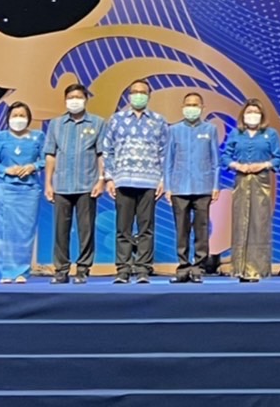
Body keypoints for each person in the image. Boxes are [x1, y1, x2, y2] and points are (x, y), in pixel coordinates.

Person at [101, 79, 169, 285]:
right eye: (135, 92)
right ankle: (123, 269)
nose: (138, 95)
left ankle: (142, 269)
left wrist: (163, 180)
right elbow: (107, 150)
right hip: (123, 180)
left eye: (143, 92)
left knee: (146, 228)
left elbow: (165, 152)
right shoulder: (116, 120)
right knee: (123, 228)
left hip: (149, 181)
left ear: (149, 96)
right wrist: (109, 178)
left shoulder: (158, 121)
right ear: (129, 95)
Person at [43, 83, 105, 284]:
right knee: (61, 230)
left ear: (86, 99)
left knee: (86, 230)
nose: (74, 101)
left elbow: (101, 154)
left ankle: (83, 269)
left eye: (78, 97)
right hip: (61, 185)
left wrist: (101, 180)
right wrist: (48, 184)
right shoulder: (56, 124)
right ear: (65, 100)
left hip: (87, 184)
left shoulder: (98, 123)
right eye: (70, 98)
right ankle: (61, 270)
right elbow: (50, 155)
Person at [222, 99, 280, 282]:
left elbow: (278, 159)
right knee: (240, 223)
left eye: (256, 112)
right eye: (249, 112)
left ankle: (258, 269)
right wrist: (237, 166)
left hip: (261, 182)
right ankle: (239, 268)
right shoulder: (236, 134)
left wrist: (263, 165)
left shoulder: (270, 134)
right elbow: (225, 156)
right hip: (241, 181)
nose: (252, 115)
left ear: (261, 115)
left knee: (259, 223)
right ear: (243, 115)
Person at [164, 91, 220, 284]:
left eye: (195, 105)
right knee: (181, 229)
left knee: (201, 229)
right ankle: (183, 267)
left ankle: (198, 267)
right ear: (182, 107)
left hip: (203, 186)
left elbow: (216, 161)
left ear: (202, 108)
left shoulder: (210, 129)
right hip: (179, 187)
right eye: (188, 104)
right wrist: (168, 187)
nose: (191, 108)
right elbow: (168, 161)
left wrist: (215, 186)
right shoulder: (174, 130)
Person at [0, 102, 45, 284]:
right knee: (3, 230)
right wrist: (6, 170)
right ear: (8, 118)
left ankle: (21, 272)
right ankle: (4, 272)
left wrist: (33, 166)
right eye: (15, 116)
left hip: (29, 190)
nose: (18, 119)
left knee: (25, 231)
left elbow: (46, 159)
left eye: (22, 116)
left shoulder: (38, 137)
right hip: (5, 189)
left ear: (28, 118)